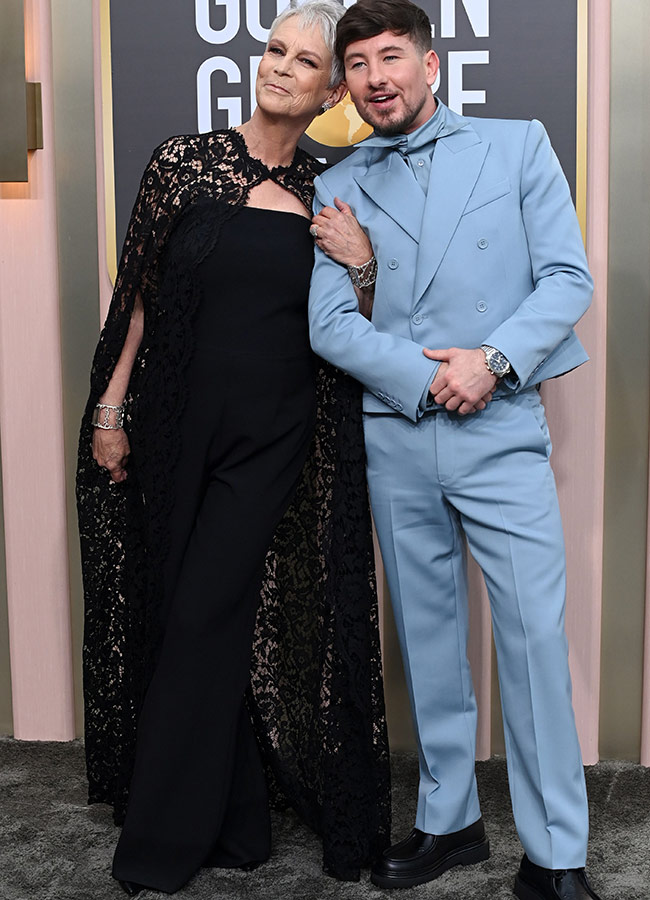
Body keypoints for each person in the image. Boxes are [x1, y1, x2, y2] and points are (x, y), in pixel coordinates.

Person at [76, 1, 391, 894]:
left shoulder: (335, 189)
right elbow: (134, 301)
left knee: (211, 610)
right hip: (177, 421)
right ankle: (234, 817)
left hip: (276, 434)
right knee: (178, 610)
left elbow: (362, 322)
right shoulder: (182, 161)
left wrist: (361, 263)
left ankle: (161, 843)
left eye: (304, 61)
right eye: (273, 49)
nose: (281, 67)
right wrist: (110, 410)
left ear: (333, 89)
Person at [308, 1, 604, 898]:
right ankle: (450, 821)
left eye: (390, 57)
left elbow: (567, 277)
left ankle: (556, 855)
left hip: (501, 429)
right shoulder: (337, 184)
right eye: (357, 65)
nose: (376, 78)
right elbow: (327, 324)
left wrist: (494, 362)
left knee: (530, 641)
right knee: (428, 640)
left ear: (431, 64)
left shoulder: (517, 145)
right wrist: (426, 376)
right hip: (398, 434)